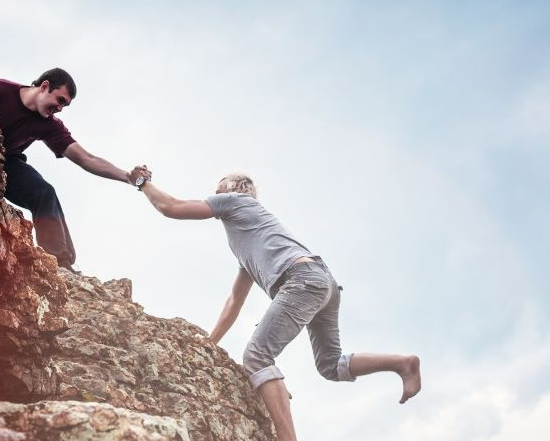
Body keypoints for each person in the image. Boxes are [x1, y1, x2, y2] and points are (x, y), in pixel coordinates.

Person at [136, 172, 421, 441]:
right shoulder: (250, 237)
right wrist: (209, 344)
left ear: (237, 188)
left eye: (219, 186)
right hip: (323, 283)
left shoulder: (235, 202)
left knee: (257, 357)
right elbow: (234, 302)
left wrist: (143, 183)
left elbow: (171, 207)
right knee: (330, 366)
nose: (213, 193)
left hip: (301, 280)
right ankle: (402, 363)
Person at [0, 68, 148, 270]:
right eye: (60, 100)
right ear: (45, 86)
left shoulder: (48, 125)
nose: (60, 108)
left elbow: (87, 159)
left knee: (44, 192)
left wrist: (128, 177)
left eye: (65, 105)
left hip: (4, 162)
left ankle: (60, 263)